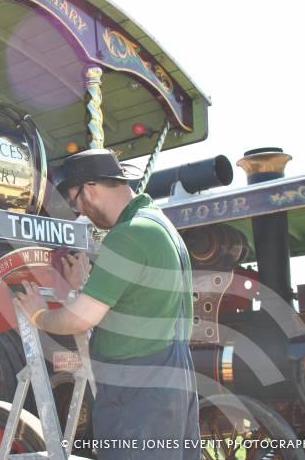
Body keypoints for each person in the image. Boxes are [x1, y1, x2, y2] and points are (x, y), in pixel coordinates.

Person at [14, 148, 200, 460]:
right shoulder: (160, 226)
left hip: (138, 392)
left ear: (89, 189)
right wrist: (85, 288)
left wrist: (38, 314)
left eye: (77, 203)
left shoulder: (128, 235)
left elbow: (79, 320)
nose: (83, 214)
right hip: (173, 379)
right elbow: (138, 305)